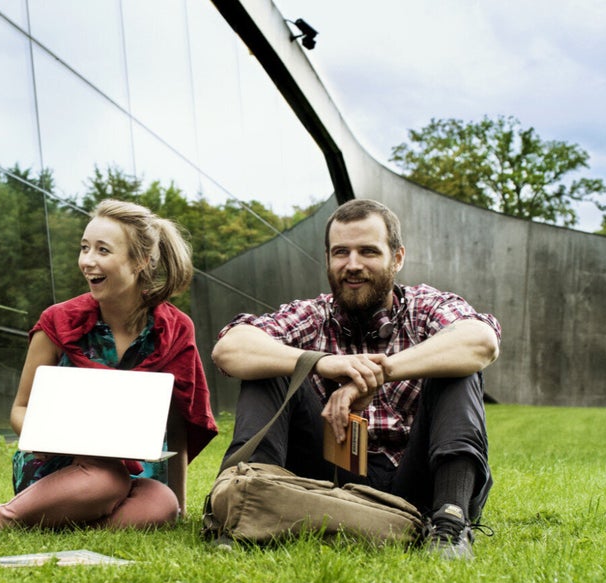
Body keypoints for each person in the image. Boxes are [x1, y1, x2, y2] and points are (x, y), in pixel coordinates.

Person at [211, 199, 501, 560]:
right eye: (341, 252)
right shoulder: (312, 314)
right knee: (269, 363)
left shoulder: (425, 308)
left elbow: (481, 342)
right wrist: (323, 363)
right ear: (328, 259)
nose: (353, 265)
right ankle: (243, 507)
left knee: (457, 366)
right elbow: (231, 348)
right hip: (332, 477)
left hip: (417, 478)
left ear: (397, 258)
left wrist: (377, 374)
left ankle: (450, 525)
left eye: (368, 251)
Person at [0, 199, 218, 537]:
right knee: (104, 478)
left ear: (141, 261)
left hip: (132, 475)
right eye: (84, 248)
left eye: (102, 250)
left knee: (160, 503)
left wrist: (180, 506)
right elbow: (20, 408)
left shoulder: (176, 329)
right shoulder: (58, 321)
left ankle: (49, 522)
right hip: (57, 465)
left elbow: (180, 421)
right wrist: (52, 438)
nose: (87, 261)